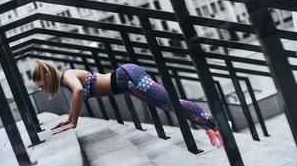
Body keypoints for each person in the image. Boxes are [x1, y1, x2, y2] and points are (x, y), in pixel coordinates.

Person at [32, 60, 223, 147]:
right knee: (168, 105)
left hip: (128, 75)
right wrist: (69, 120)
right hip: (127, 83)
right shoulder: (67, 78)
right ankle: (208, 126)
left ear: (47, 76)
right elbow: (77, 93)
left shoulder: (67, 76)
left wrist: (73, 122)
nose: (43, 89)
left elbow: (79, 91)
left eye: (42, 86)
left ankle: (215, 124)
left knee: (171, 102)